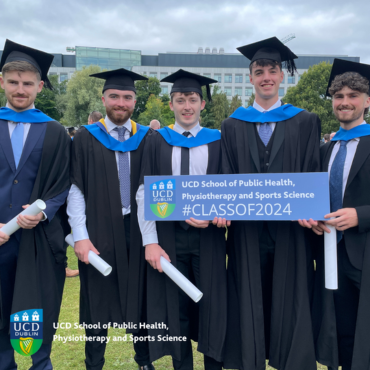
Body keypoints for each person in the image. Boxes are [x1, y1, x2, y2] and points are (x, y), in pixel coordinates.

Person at [221, 37, 321, 370]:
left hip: (292, 232)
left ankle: (289, 361)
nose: (266, 76)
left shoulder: (305, 121)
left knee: (290, 295)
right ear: (250, 78)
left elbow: (311, 171)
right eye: (259, 71)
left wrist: (312, 207)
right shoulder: (232, 125)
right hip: (246, 233)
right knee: (248, 294)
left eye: (272, 70)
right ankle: (250, 359)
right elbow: (225, 176)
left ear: (282, 76)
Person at [136, 69, 228, 370]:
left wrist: (224, 211)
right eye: (180, 100)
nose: (186, 106)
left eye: (192, 99)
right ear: (171, 103)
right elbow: (144, 192)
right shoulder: (156, 141)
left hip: (210, 238)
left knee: (212, 307)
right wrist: (150, 241)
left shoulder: (218, 140)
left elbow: (230, 186)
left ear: (202, 104)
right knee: (176, 309)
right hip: (169, 238)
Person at [67, 68, 154, 370]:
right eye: (114, 96)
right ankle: (95, 364)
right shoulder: (84, 139)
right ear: (103, 99)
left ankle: (144, 361)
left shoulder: (147, 139)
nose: (120, 102)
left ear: (135, 101)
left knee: (140, 297)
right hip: (98, 229)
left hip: (138, 230)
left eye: (127, 97)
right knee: (97, 300)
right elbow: (76, 189)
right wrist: (79, 234)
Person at [0, 39, 70, 370]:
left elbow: (64, 182)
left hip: (37, 241)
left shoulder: (55, 132)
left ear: (40, 86)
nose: (20, 89)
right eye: (13, 82)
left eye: (28, 83)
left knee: (36, 309)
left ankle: (40, 364)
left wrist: (44, 210)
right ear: (2, 81)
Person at [298, 59, 370, 370]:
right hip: (330, 252)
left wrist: (361, 215)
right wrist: (310, 216)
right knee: (337, 328)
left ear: (367, 100)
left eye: (353, 95)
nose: (344, 102)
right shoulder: (326, 150)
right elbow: (313, 195)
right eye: (338, 96)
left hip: (364, 250)